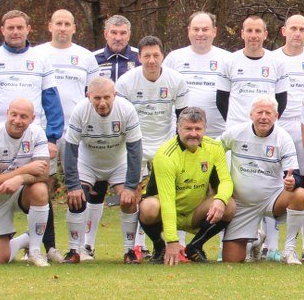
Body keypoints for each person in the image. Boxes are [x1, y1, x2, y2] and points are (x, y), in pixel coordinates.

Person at [0, 10, 65, 261]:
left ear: (28, 29)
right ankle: (23, 240)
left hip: (29, 139)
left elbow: (51, 99)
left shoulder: (41, 59)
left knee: (41, 187)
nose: (15, 32)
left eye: (19, 27)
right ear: (2, 30)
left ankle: (43, 247)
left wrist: (53, 137)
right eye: (10, 27)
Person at [115, 35, 189, 259]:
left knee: (173, 195)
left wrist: (177, 151)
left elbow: (182, 118)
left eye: (156, 55)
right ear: (139, 57)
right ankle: (137, 247)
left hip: (165, 147)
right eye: (146, 56)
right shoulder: (126, 82)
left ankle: (178, 244)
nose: (151, 60)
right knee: (135, 195)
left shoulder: (176, 80)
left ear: (162, 56)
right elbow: (121, 118)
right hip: (135, 146)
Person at [60, 76, 143, 263]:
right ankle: (75, 250)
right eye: (97, 98)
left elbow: (135, 150)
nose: (102, 103)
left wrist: (130, 186)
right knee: (76, 199)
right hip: (88, 163)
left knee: (129, 201)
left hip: (118, 164)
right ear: (88, 96)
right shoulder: (80, 110)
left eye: (107, 97)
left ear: (115, 95)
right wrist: (72, 185)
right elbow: (70, 149)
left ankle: (130, 251)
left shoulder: (127, 110)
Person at [139, 107, 235, 264]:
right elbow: (168, 200)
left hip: (194, 212)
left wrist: (220, 199)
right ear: (178, 128)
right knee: (148, 207)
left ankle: (194, 247)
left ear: (205, 129)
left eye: (198, 129)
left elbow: (226, 180)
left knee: (229, 204)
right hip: (165, 211)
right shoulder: (165, 155)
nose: (193, 133)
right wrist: (171, 240)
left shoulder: (215, 148)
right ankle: (159, 246)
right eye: (188, 128)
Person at [223, 97, 304, 264]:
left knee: (299, 194)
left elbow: (296, 175)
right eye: (259, 112)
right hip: (241, 204)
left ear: (276, 116)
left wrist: (292, 182)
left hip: (272, 200)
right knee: (231, 261)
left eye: (268, 113)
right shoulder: (235, 133)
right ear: (251, 115)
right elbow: (213, 151)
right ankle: (255, 239)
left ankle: (289, 251)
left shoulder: (283, 138)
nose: (264, 117)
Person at [0, 98, 53, 266]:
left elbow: (44, 173)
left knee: (40, 189)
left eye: (23, 116)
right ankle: (26, 239)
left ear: (32, 119)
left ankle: (35, 251)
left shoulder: (37, 133)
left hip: (20, 191)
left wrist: (20, 179)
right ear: (7, 114)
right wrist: (24, 170)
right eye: (14, 114)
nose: (17, 120)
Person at [163, 12, 231, 138]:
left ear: (214, 31)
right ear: (188, 31)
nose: (200, 34)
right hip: (182, 135)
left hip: (218, 135)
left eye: (205, 29)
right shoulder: (174, 58)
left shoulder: (228, 59)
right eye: (196, 29)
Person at [40, 9, 97, 122]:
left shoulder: (87, 56)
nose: (62, 28)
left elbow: (95, 94)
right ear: (50, 27)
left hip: (77, 126)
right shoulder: (37, 54)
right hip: (43, 126)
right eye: (59, 24)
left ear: (74, 28)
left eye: (67, 24)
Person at [223, 15, 278, 131]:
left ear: (265, 34)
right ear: (242, 34)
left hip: (265, 130)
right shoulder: (229, 61)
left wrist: (267, 122)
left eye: (258, 31)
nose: (253, 35)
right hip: (236, 128)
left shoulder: (277, 61)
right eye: (249, 31)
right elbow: (221, 99)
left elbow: (281, 99)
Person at [94, 14, 137, 81]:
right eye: (114, 33)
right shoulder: (93, 58)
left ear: (129, 35)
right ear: (105, 34)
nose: (118, 38)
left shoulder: (140, 57)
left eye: (123, 33)